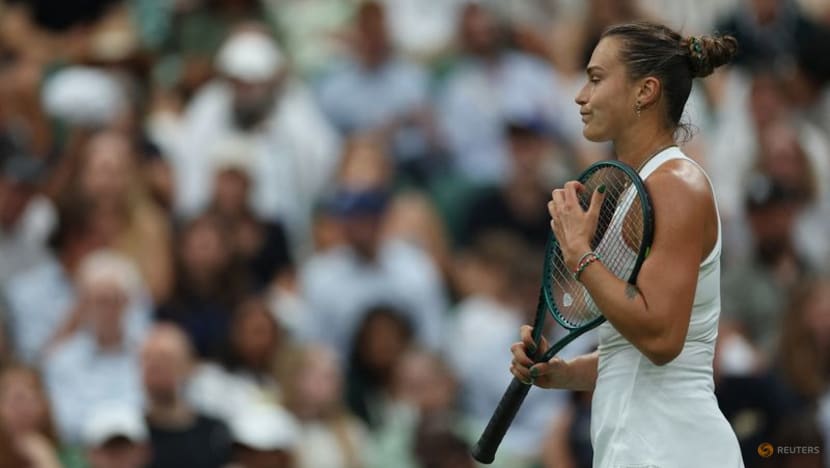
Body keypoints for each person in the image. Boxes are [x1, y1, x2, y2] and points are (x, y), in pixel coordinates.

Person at [509, 22, 745, 466]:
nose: (581, 96)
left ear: (645, 91)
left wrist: (580, 254)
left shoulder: (677, 186)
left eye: (596, 79)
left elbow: (661, 339)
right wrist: (562, 373)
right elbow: (631, 354)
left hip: (674, 451)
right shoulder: (641, 190)